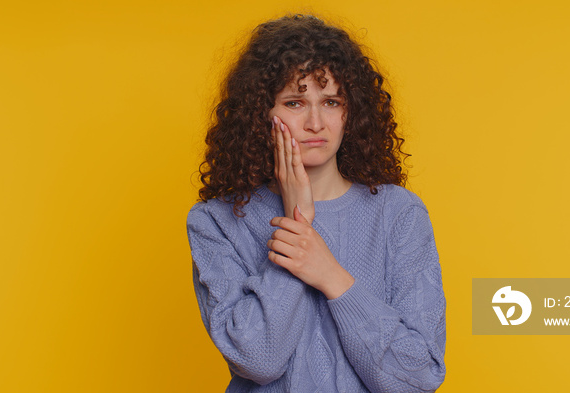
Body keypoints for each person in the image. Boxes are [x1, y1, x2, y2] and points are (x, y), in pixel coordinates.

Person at [187, 14, 446, 392]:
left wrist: (332, 277)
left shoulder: (399, 214)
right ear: (261, 114)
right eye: (294, 102)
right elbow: (258, 359)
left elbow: (419, 377)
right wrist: (298, 222)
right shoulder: (217, 221)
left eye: (331, 101)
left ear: (350, 112)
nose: (315, 122)